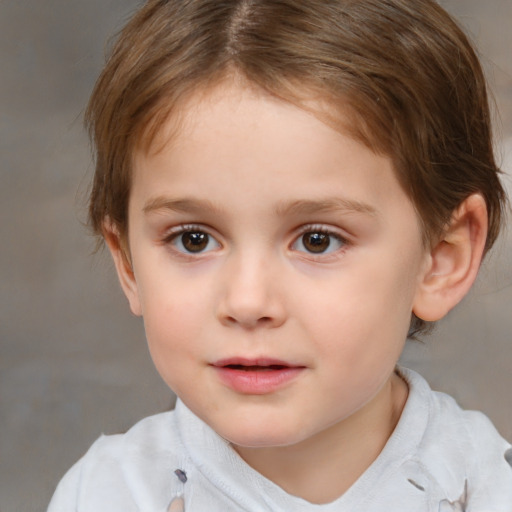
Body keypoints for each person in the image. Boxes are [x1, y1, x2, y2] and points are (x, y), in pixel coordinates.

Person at [48, 0, 512, 510]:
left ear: (441, 257)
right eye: (193, 239)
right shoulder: (107, 495)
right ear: (129, 262)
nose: (248, 302)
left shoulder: (487, 491)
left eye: (318, 240)